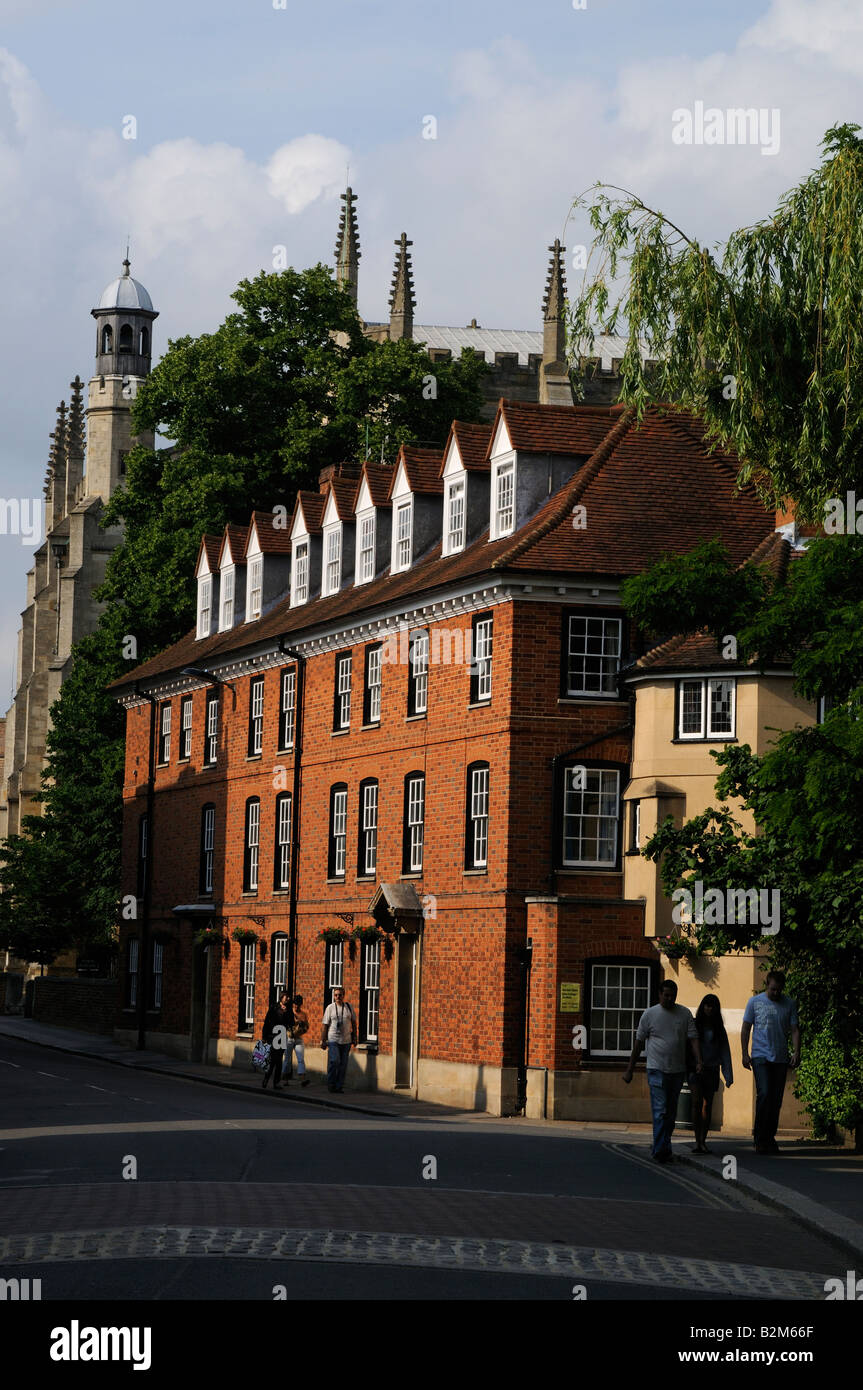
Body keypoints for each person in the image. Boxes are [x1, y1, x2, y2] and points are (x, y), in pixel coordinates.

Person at [623, 979, 702, 1162]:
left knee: (671, 1113)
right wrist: (630, 1069)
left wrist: (699, 1060)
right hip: (656, 1069)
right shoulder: (650, 1014)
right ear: (659, 994)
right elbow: (639, 1043)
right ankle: (660, 1149)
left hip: (677, 1070)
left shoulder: (684, 1013)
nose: (669, 998)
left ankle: (664, 1145)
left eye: (672, 995)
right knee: (660, 1110)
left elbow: (693, 1039)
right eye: (666, 995)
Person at [741, 970, 800, 1154]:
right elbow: (745, 1028)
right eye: (773, 989)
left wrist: (797, 1052)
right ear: (767, 984)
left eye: (779, 990)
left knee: (776, 1100)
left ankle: (770, 1137)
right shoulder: (754, 1002)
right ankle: (760, 1138)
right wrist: (744, 1053)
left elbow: (795, 1030)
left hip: (780, 1057)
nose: (776, 993)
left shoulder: (789, 1004)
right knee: (765, 1094)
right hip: (760, 1056)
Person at [689, 994, 733, 1153]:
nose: (709, 1009)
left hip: (712, 1069)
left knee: (707, 1106)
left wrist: (728, 1075)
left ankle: (703, 1140)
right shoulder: (694, 1025)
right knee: (696, 1103)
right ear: (702, 1007)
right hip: (696, 1069)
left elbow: (725, 1052)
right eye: (707, 1005)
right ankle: (696, 1141)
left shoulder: (719, 1030)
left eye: (712, 1006)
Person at [320, 985, 356, 1093]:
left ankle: (339, 1086)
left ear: (343, 996)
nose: (337, 997)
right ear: (334, 996)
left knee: (343, 1065)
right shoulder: (330, 1008)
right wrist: (323, 1040)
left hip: (346, 1041)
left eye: (340, 995)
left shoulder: (348, 1007)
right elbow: (324, 1025)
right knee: (335, 1061)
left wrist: (355, 1037)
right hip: (333, 1040)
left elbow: (354, 1023)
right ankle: (331, 1083)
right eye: (335, 995)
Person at [261, 991, 293, 1090]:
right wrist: (264, 1036)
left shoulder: (289, 1009)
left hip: (282, 1036)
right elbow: (267, 1021)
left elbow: (291, 1022)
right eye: (286, 997)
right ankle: (267, 1078)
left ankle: (276, 1082)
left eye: (288, 997)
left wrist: (287, 1012)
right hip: (273, 1036)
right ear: (281, 997)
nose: (288, 999)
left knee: (278, 1061)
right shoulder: (274, 1007)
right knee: (274, 1060)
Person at [283, 993, 311, 1087]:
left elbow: (307, 1026)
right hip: (289, 1038)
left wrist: (302, 1024)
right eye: (295, 1004)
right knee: (287, 1059)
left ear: (301, 1004)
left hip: (299, 1038)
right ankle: (285, 1080)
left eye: (298, 1005)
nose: (296, 1006)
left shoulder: (303, 1014)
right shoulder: (289, 1012)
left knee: (301, 1059)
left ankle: (302, 1080)